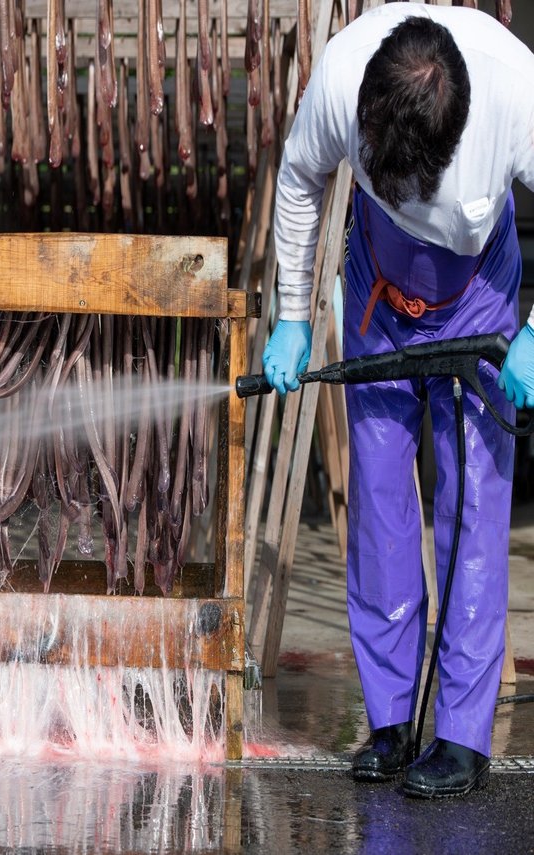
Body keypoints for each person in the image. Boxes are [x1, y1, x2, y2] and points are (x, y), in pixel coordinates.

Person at [263, 3, 534, 799]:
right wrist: (290, 315)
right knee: (379, 501)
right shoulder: (340, 79)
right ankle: (388, 719)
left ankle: (460, 733)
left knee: (469, 506)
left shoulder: (515, 93)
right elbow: (298, 178)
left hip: (476, 294)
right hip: (377, 289)